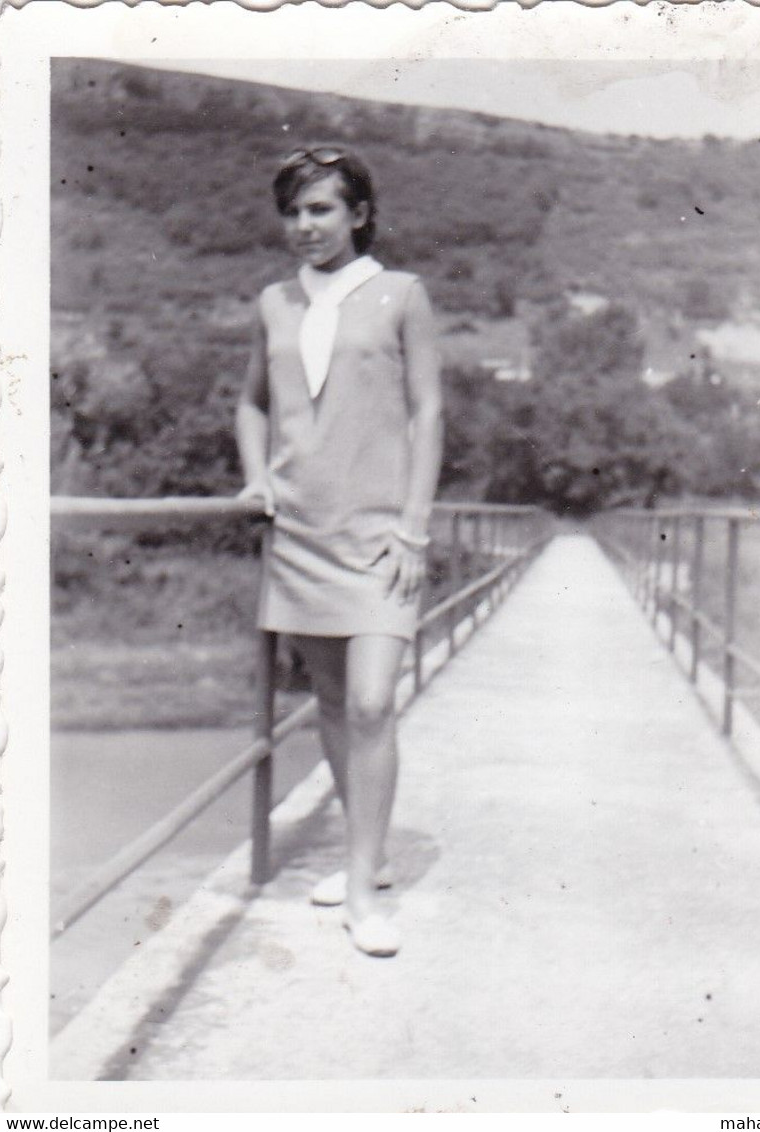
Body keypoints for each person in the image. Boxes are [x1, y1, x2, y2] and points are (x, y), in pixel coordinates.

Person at [236, 146, 443, 957]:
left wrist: (414, 526)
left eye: (321, 209)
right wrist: (257, 481)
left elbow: (428, 414)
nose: (304, 226)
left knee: (370, 703)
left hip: (380, 532)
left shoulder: (401, 295)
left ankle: (362, 892)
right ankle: (370, 853)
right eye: (292, 211)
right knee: (329, 704)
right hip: (302, 533)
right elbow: (251, 405)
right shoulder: (273, 302)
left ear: (359, 214)